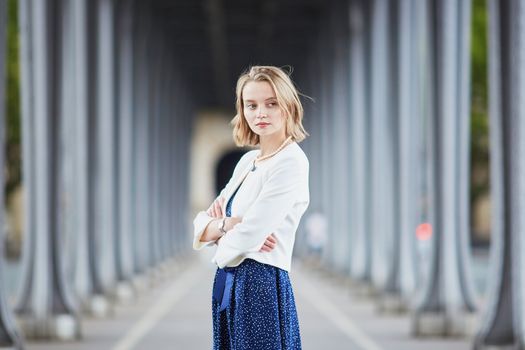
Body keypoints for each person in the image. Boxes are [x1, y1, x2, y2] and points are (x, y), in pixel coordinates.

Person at [193, 65, 310, 350]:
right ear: (242, 110)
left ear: (288, 107)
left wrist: (221, 232)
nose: (261, 113)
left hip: (261, 284)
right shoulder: (247, 162)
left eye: (271, 104)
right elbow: (201, 224)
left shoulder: (291, 161)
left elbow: (252, 233)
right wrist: (229, 224)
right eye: (252, 105)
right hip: (228, 281)